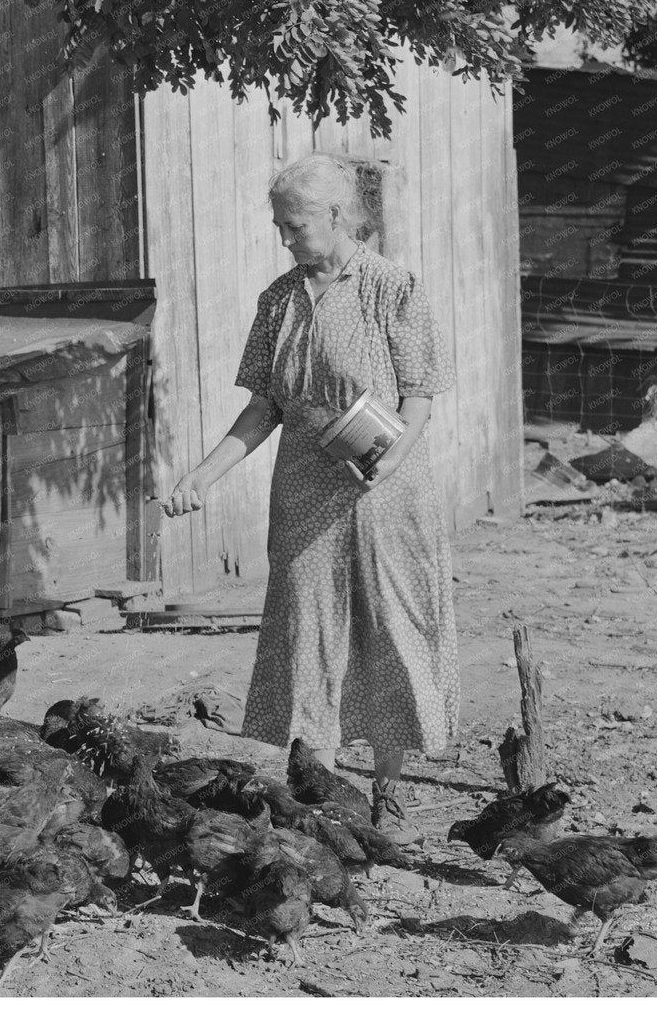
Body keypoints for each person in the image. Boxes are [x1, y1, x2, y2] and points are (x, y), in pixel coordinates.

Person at [161, 152, 459, 846]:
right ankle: (318, 794)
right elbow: (264, 406)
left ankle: (387, 790)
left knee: (388, 630)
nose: (285, 238)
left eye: (295, 225)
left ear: (335, 215)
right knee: (307, 633)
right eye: (279, 227)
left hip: (384, 488)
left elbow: (419, 396)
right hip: (303, 489)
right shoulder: (278, 300)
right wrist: (205, 474)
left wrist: (392, 461)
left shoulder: (393, 288)